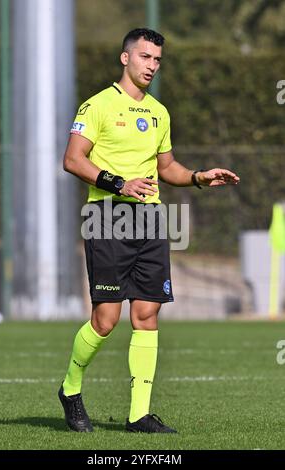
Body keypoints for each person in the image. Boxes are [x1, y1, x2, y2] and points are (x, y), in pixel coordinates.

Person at [58, 28, 240, 434]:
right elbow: (73, 158)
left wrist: (196, 177)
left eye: (157, 60)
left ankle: (138, 415)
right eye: (145, 58)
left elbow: (166, 167)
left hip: (150, 221)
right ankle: (71, 389)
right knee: (105, 320)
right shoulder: (97, 105)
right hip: (106, 218)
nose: (152, 66)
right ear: (126, 58)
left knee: (146, 314)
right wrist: (119, 183)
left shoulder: (160, 112)